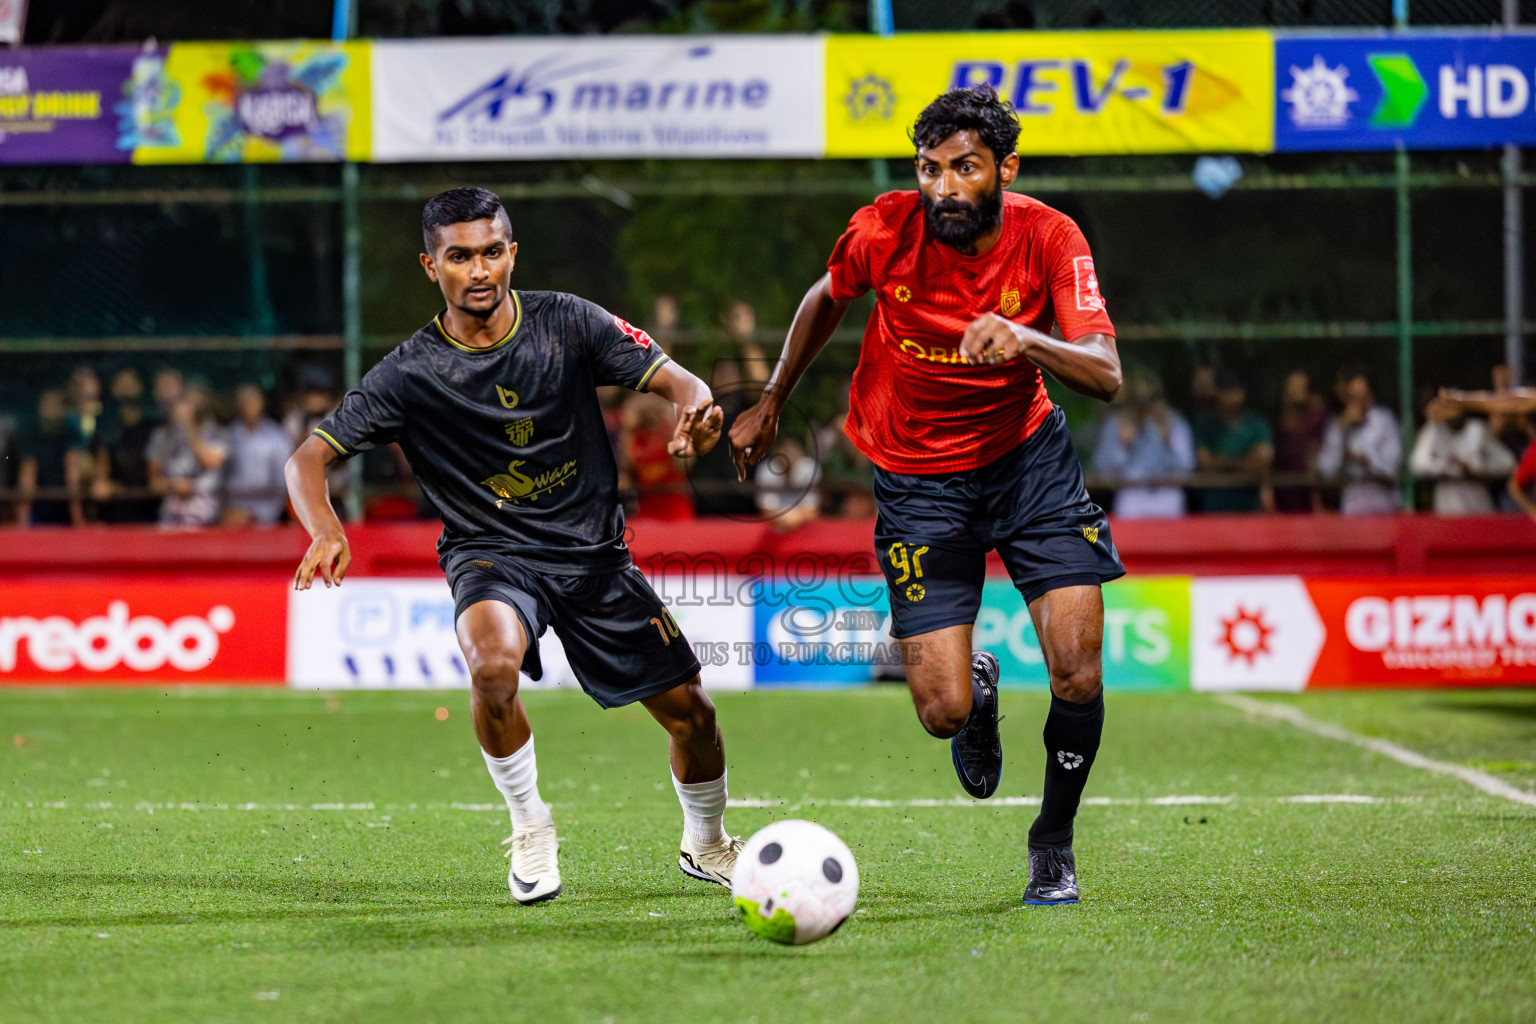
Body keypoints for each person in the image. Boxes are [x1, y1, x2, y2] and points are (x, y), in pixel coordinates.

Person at [285, 187, 741, 906]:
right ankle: (530, 825)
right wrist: (327, 528)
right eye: (459, 255)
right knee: (492, 666)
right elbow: (305, 460)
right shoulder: (409, 373)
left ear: (512, 253)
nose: (479, 270)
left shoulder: (566, 320)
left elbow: (677, 378)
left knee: (694, 715)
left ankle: (707, 843)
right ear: (430, 266)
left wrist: (696, 407)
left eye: (492, 251)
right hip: (491, 551)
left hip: (593, 556)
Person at [728, 86, 1124, 906]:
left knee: (1078, 673)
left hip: (1027, 464)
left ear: (1005, 170)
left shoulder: (1051, 237)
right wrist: (772, 397)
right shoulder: (884, 231)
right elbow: (824, 296)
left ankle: (1052, 842)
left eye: (965, 169)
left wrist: (1025, 337)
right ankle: (975, 687)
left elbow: (1107, 374)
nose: (943, 186)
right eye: (930, 168)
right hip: (916, 477)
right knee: (940, 713)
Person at [1090, 366, 1193, 519]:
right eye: (1139, 398)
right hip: (1131, 497)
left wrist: (1167, 442)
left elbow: (1187, 468)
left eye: (1151, 398)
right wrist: (1123, 446)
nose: (1145, 404)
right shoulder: (1116, 425)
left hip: (1167, 496)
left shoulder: (1175, 423)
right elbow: (1103, 471)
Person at [1409, 396, 1515, 515]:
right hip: (1447, 507)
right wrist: (1450, 466)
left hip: (1478, 505)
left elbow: (1508, 462)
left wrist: (1476, 471)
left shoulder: (1477, 429)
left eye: (1455, 408)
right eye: (1447, 408)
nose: (1452, 413)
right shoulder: (1434, 429)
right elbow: (1417, 465)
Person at [1317, 364, 1401, 515]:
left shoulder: (1385, 420)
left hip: (1384, 508)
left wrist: (1366, 460)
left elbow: (1392, 468)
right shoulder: (1338, 425)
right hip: (1352, 510)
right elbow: (1326, 469)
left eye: (1362, 396)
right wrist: (1343, 433)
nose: (1358, 402)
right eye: (1352, 397)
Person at [1192, 368, 1274, 513]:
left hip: (1249, 506)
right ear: (1218, 393)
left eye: (1237, 390)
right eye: (1228, 391)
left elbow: (1261, 461)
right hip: (1214, 508)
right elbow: (1204, 462)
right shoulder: (1205, 425)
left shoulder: (1257, 424)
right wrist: (1243, 462)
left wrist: (1222, 462)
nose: (1234, 396)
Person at [146, 385, 228, 527]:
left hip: (207, 518)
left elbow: (211, 462)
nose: (183, 408)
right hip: (171, 518)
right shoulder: (162, 436)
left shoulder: (215, 432)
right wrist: (172, 485)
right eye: (180, 403)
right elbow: (154, 484)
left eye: (188, 403)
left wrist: (190, 428)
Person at [221, 383, 294, 526]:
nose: (248, 406)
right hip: (231, 516)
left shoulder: (277, 437)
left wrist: (258, 516)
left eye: (252, 401)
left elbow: (282, 483)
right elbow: (219, 480)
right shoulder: (228, 435)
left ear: (261, 403)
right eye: (244, 401)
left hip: (266, 517)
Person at [95, 368, 161, 523]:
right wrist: (104, 485)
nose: (126, 387)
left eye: (131, 381)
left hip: (151, 514)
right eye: (121, 381)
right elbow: (101, 477)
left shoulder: (154, 429)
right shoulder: (106, 429)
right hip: (116, 515)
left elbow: (157, 479)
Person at [15, 389, 87, 527]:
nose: (51, 409)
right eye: (48, 404)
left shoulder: (71, 432)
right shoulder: (31, 433)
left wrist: (78, 520)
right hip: (38, 511)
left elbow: (72, 475)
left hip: (65, 512)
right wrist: (22, 523)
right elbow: (28, 477)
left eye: (56, 404)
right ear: (40, 407)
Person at [1272, 370, 1328, 513]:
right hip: (1283, 489)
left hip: (1311, 489)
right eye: (1291, 387)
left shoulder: (1319, 417)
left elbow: (1321, 453)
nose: (1293, 391)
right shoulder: (1280, 419)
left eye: (1299, 387)